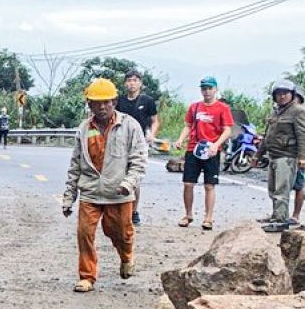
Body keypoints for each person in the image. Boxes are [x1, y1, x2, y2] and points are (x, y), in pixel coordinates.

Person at [62, 78, 147, 293]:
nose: (102, 107)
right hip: (90, 192)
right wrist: (68, 197)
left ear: (114, 102)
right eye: (96, 103)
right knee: (84, 233)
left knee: (120, 233)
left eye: (106, 102)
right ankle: (87, 276)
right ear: (89, 104)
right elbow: (75, 164)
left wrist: (128, 183)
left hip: (119, 194)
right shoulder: (84, 129)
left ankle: (126, 256)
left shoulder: (130, 126)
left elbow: (138, 160)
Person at [171, 76, 234, 231]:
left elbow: (227, 130)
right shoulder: (195, 107)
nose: (206, 91)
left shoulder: (222, 108)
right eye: (204, 88)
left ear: (215, 89)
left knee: (209, 185)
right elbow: (188, 125)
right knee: (188, 183)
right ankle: (188, 214)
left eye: (209, 88)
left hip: (212, 150)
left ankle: (208, 218)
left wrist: (217, 145)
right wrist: (180, 139)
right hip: (194, 148)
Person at [115, 69, 160, 226]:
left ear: (140, 83)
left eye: (135, 80)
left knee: (135, 178)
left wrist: (151, 134)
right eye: (129, 80)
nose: (131, 83)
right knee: (118, 175)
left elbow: (155, 121)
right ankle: (118, 210)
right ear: (125, 83)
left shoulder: (147, 101)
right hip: (120, 142)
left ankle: (134, 211)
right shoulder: (119, 101)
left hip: (139, 143)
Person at [260, 80, 305, 233]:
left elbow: (302, 134)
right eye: (279, 94)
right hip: (273, 155)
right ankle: (276, 216)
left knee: (282, 190)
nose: (282, 96)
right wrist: (257, 156)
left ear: (292, 94)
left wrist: (302, 157)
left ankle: (280, 221)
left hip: (287, 156)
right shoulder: (275, 112)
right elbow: (267, 136)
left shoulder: (298, 111)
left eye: (285, 93)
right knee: (272, 189)